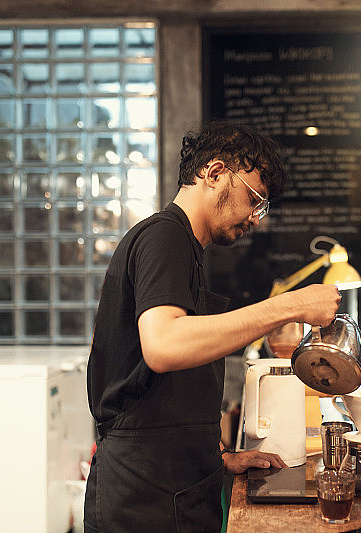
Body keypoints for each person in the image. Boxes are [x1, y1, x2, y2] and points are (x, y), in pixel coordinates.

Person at [84, 120, 342, 533]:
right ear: (216, 173)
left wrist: (217, 456)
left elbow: (156, 384)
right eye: (255, 199)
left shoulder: (186, 249)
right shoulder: (164, 236)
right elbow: (164, 345)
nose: (257, 219)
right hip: (145, 497)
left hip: (177, 480)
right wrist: (286, 306)